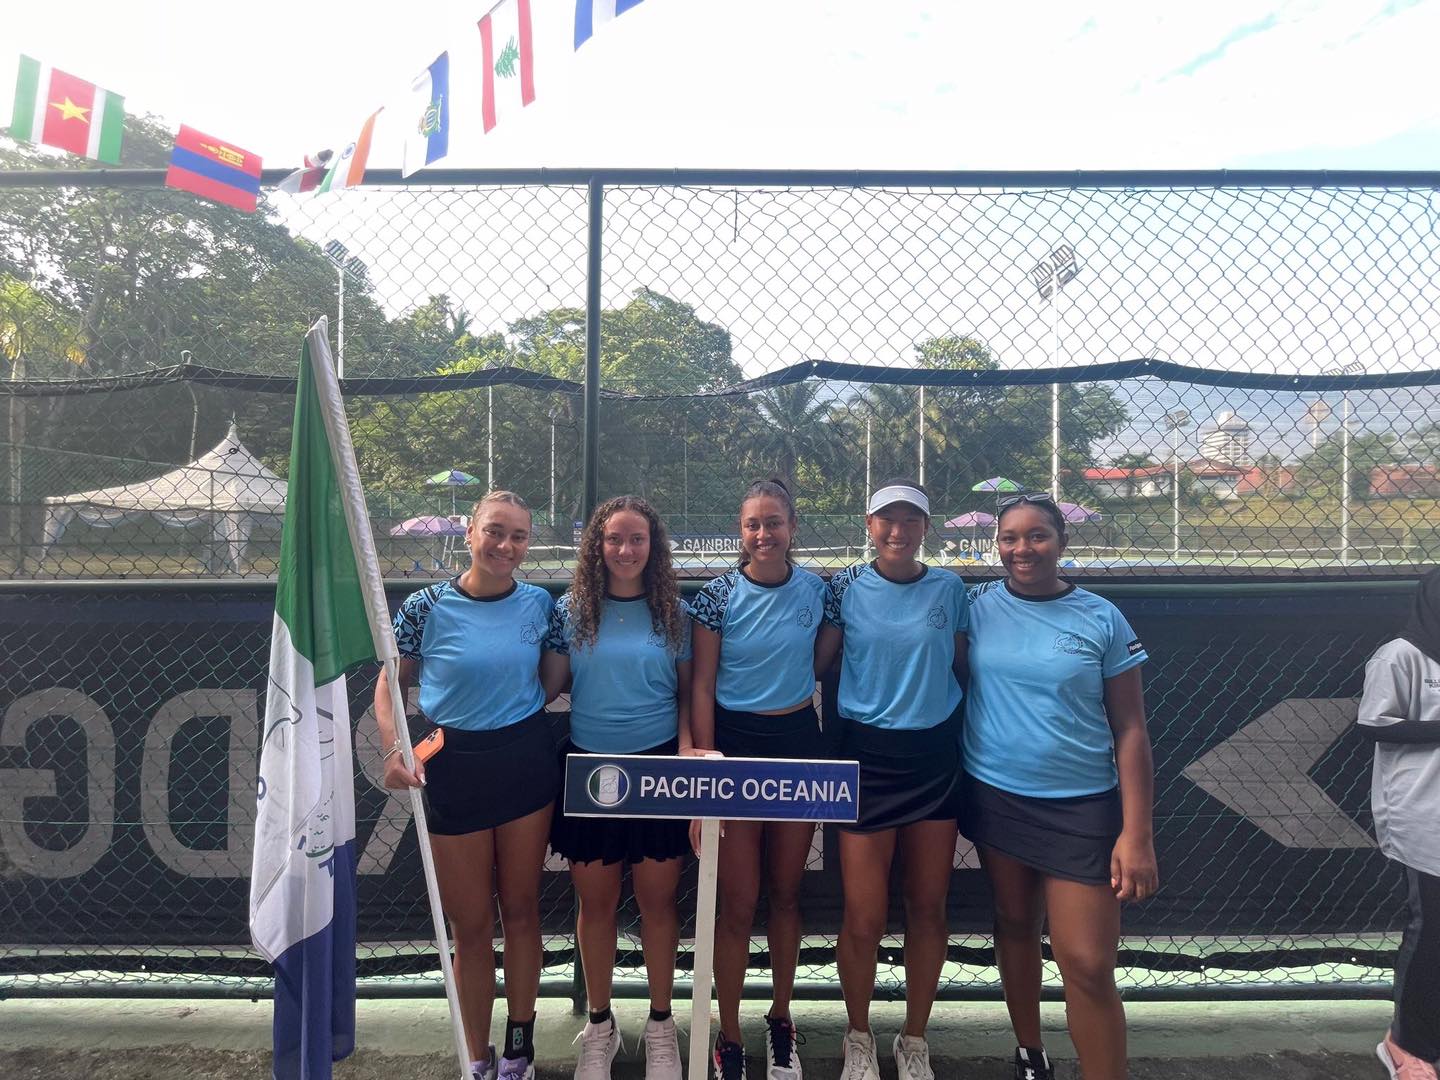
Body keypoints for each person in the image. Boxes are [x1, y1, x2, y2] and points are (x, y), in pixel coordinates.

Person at [960, 492, 1158, 1080]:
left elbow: (1131, 729)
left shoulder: (1101, 617)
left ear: (1061, 543)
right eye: (1010, 538)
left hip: (1082, 809)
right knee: (1015, 924)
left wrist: (1137, 833)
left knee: (1087, 962)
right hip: (995, 796)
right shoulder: (976, 607)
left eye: (1037, 535)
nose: (1022, 549)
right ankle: (1030, 1055)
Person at [376, 491, 557, 1080]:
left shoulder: (540, 603)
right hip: (453, 770)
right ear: (470, 532)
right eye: (495, 532)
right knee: (472, 925)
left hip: (525, 762)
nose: (506, 546)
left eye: (519, 536)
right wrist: (396, 749)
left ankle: (519, 1051)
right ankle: (475, 1057)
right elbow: (389, 684)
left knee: (523, 910)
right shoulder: (425, 607)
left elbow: (552, 681)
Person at [815, 479, 969, 1080]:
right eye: (886, 520)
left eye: (910, 521)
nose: (897, 531)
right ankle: (859, 1037)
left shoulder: (950, 589)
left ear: (926, 528)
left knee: (928, 907)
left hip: (934, 761)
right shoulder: (845, 588)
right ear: (869, 524)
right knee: (863, 915)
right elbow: (821, 664)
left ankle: (913, 1039)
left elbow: (961, 664)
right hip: (864, 762)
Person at [542, 495, 694, 1080]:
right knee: (597, 904)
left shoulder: (674, 612)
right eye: (614, 539)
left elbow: (688, 695)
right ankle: (599, 1026)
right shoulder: (571, 608)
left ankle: (660, 1026)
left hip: (658, 772)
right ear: (596, 546)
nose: (625, 550)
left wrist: (684, 757)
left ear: (653, 547)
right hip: (591, 772)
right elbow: (549, 686)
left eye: (637, 540)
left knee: (657, 903)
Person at [689, 478, 833, 1080]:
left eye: (774, 522)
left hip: (797, 744)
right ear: (740, 531)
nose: (763, 534)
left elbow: (820, 660)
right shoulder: (717, 596)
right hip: (734, 750)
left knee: (787, 893)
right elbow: (700, 683)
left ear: (792, 528)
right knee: (737, 900)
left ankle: (780, 1019)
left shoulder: (819, 591)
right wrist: (704, 758)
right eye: (753, 524)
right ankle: (727, 1034)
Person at [1357, 567, 1440, 1080]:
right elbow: (1374, 723)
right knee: (1432, 933)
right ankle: (1405, 1045)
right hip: (1424, 814)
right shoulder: (1401, 655)